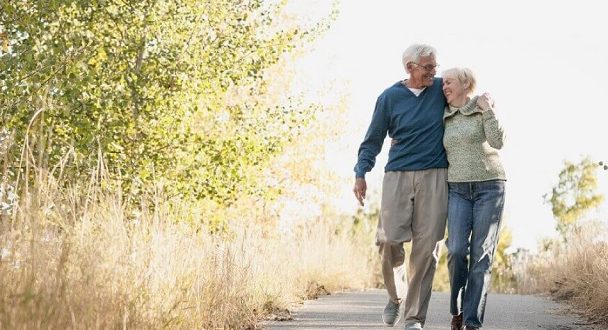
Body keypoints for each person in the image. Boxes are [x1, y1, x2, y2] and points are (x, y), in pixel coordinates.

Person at [353, 44, 448, 330]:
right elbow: (373, 139)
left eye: (435, 66)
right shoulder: (389, 98)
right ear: (410, 67)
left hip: (435, 175)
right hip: (397, 174)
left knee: (426, 248)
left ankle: (414, 318)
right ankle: (396, 297)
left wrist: (485, 99)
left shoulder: (441, 88)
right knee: (388, 240)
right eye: (428, 67)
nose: (434, 72)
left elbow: (465, 87)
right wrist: (361, 172)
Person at [441, 67, 506, 330]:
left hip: (490, 187)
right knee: (456, 250)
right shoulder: (442, 115)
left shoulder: (481, 107)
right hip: (457, 189)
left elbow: (498, 141)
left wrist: (489, 109)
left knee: (481, 256)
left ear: (466, 84)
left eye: (449, 82)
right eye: (443, 83)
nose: (444, 86)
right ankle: (457, 309)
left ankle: (471, 322)